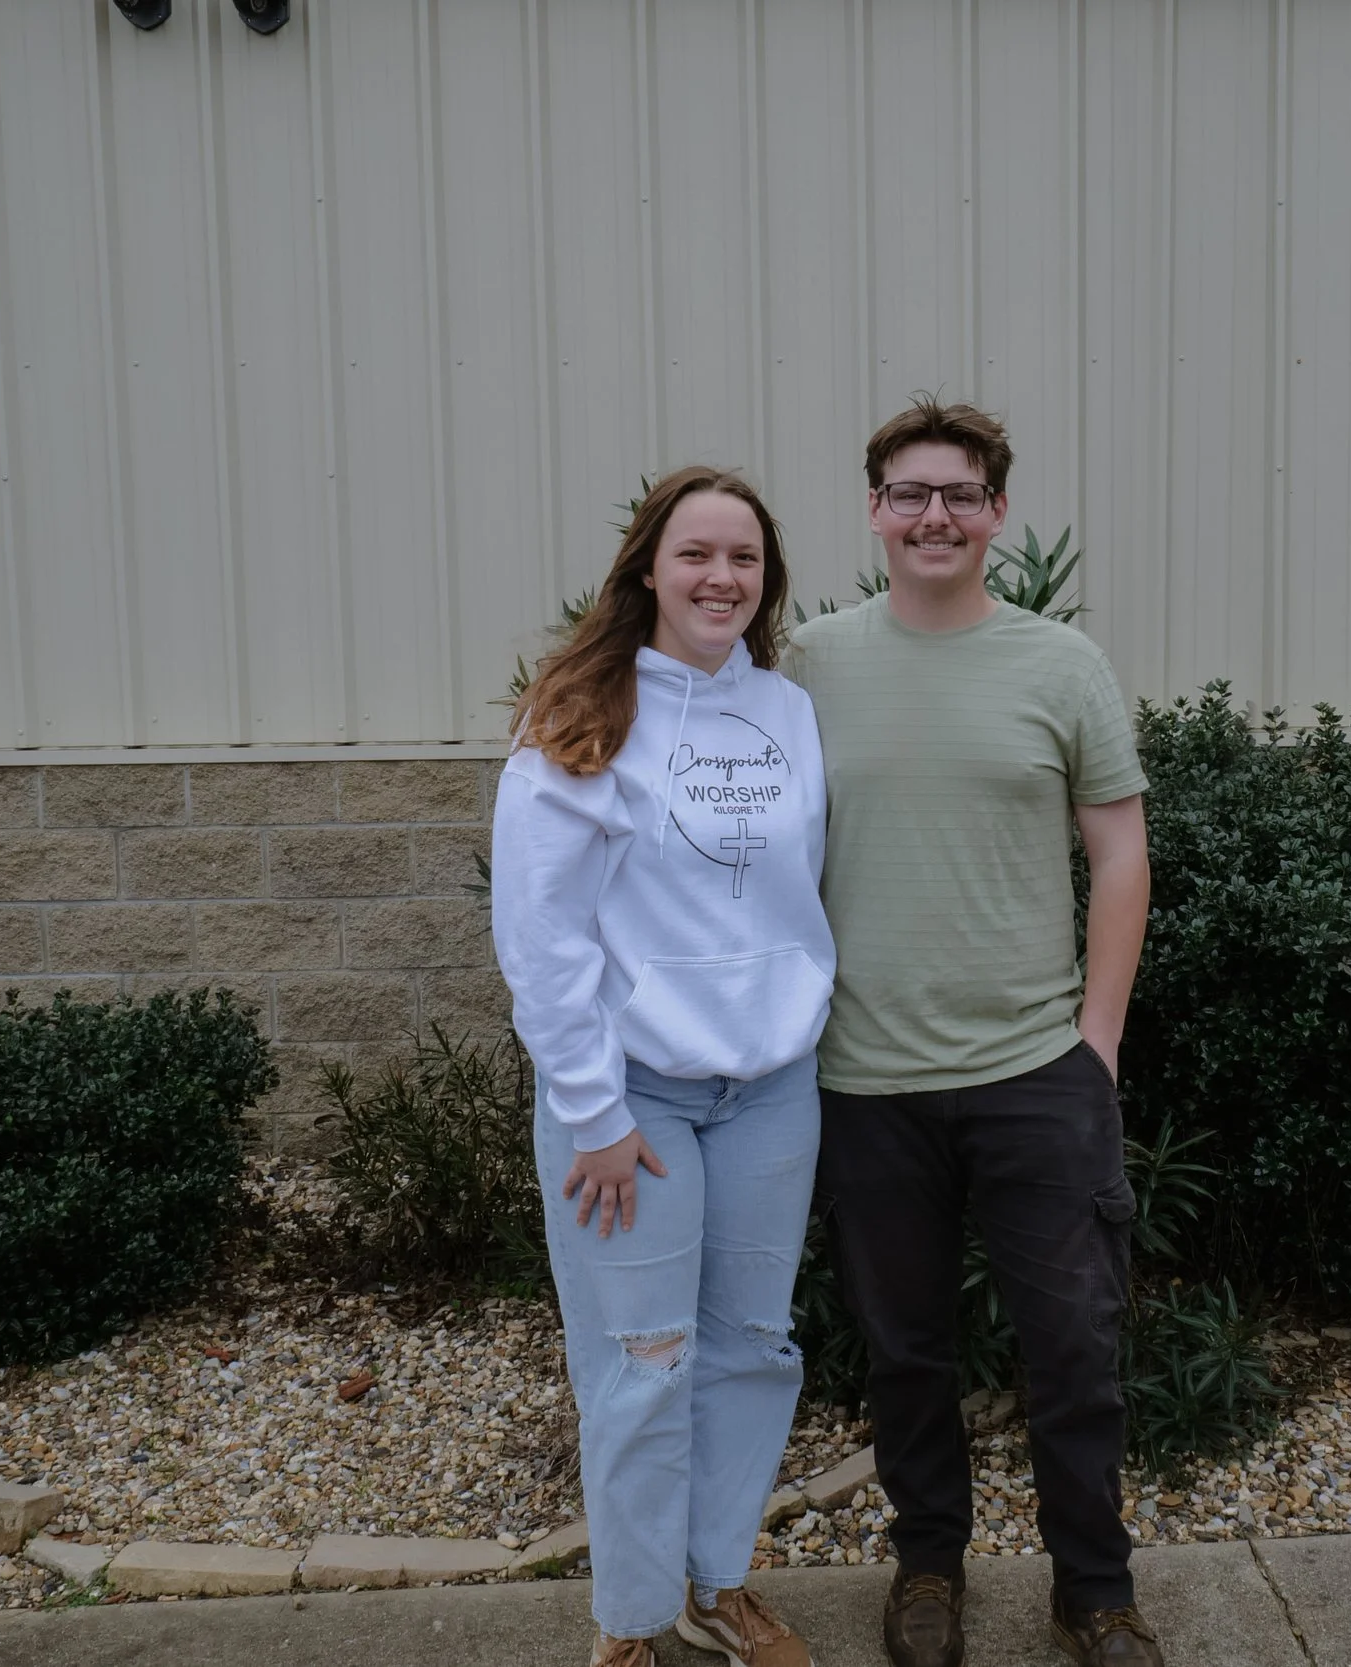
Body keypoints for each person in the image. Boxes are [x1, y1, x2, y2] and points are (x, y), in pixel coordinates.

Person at [784, 399, 1161, 1667]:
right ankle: (927, 1570)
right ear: (876, 511)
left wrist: (1094, 1037)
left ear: (997, 512)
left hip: (1033, 1071)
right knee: (905, 1352)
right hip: (864, 1077)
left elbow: (1118, 850)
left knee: (1074, 1349)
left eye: (958, 493)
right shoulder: (809, 665)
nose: (932, 514)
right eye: (908, 493)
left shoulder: (1061, 665)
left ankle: (1093, 1591)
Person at [493, 465, 832, 1667]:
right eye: (696, 554)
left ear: (765, 580)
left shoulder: (786, 712)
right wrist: (589, 1110)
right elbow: (540, 938)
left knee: (750, 1345)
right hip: (629, 1101)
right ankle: (630, 1623)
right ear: (647, 567)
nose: (720, 578)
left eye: (743, 559)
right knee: (643, 1363)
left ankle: (715, 1585)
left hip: (770, 1094)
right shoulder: (587, 708)